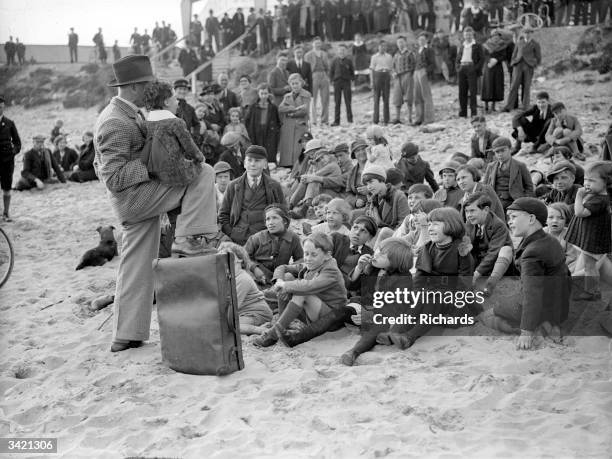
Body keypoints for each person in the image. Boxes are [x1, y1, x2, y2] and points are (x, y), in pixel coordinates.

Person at [93, 55, 218, 353]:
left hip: (131, 201)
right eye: (148, 83)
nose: (151, 88)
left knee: (136, 264)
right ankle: (190, 240)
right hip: (135, 198)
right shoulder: (116, 122)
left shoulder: (122, 112)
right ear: (135, 87)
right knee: (204, 174)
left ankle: (126, 334)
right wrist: (152, 165)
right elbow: (113, 176)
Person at [376, 207, 476, 350]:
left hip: (454, 300)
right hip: (430, 292)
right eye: (429, 224)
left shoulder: (462, 250)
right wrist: (417, 293)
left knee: (432, 301)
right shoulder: (427, 248)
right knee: (417, 303)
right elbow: (420, 276)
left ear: (451, 224)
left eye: (435, 224)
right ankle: (393, 332)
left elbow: (464, 283)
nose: (430, 228)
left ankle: (410, 336)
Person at [482, 198, 570, 350]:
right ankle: (548, 323)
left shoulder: (532, 253)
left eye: (514, 217)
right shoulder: (549, 239)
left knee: (487, 315)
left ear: (531, 219)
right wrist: (556, 319)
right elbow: (565, 278)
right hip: (559, 307)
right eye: (509, 218)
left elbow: (532, 294)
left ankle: (535, 329)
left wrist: (526, 332)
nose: (510, 222)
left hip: (540, 307)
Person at [253, 232, 349, 347]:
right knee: (288, 277)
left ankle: (273, 335)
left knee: (301, 292)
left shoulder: (331, 270)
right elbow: (282, 267)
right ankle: (283, 323)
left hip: (331, 320)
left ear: (327, 255)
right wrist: (279, 281)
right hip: (314, 313)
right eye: (306, 253)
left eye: (313, 255)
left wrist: (285, 286)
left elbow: (310, 286)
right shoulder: (312, 264)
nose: (308, 259)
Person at [340, 238, 414, 366]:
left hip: (389, 316)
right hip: (368, 308)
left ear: (394, 261)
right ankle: (298, 337)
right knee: (340, 312)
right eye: (378, 250)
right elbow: (351, 287)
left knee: (376, 328)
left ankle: (353, 352)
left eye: (382, 254)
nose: (376, 254)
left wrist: (368, 313)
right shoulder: (373, 268)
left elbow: (394, 308)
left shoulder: (404, 279)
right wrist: (359, 268)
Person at [564, 162, 612, 300]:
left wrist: (579, 197)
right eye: (585, 179)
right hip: (590, 236)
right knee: (589, 265)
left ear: (606, 182)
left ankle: (592, 292)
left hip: (592, 239)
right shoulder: (596, 196)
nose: (586, 183)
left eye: (592, 180)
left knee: (590, 266)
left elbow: (580, 213)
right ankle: (592, 290)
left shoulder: (600, 200)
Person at [219, 145, 285, 245]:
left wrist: (275, 236)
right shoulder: (233, 186)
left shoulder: (274, 186)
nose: (252, 164)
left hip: (265, 240)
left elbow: (284, 214)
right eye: (249, 160)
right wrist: (231, 233)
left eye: (257, 161)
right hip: (238, 239)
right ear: (244, 164)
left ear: (265, 164)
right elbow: (223, 215)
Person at [216, 242, 274, 335]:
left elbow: (233, 306)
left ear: (240, 259)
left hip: (257, 313)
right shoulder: (226, 277)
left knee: (230, 326)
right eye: (221, 257)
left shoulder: (243, 278)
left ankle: (259, 330)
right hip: (240, 313)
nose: (224, 259)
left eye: (228, 255)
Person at [464, 192, 514, 293]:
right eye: (466, 211)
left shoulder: (498, 225)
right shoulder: (470, 223)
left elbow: (493, 253)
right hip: (479, 262)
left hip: (496, 264)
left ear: (486, 210)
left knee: (506, 249)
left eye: (472, 211)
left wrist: (475, 274)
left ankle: (490, 284)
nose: (469, 215)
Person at [245, 204, 303, 285]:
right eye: (267, 219)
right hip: (258, 275)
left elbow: (300, 259)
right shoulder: (256, 238)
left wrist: (287, 269)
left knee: (289, 277)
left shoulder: (293, 238)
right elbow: (244, 257)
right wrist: (254, 268)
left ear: (285, 221)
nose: (270, 223)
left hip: (279, 276)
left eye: (275, 218)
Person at [483, 137, 534, 210]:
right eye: (497, 152)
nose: (500, 154)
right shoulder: (491, 166)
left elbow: (529, 187)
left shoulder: (520, 166)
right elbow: (485, 187)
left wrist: (524, 202)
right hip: (495, 201)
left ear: (510, 149)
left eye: (503, 150)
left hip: (514, 201)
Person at [502, 26, 541, 112]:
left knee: (526, 86)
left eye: (529, 33)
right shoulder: (519, 42)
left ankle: (525, 106)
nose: (527, 34)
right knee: (514, 86)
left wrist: (533, 64)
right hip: (518, 65)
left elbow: (538, 57)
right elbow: (514, 54)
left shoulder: (535, 44)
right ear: (523, 33)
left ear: (531, 34)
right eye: (525, 33)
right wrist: (513, 62)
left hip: (528, 66)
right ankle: (509, 106)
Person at [362, 164, 410, 230]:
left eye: (371, 182)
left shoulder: (399, 197)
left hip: (395, 236)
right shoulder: (373, 199)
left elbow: (404, 225)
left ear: (382, 180)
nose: (369, 187)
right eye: (367, 184)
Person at [278, 73, 311, 168]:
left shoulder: (306, 94)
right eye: (292, 83)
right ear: (290, 84)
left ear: (301, 83)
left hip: (300, 124)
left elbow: (305, 110)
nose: (295, 85)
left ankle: (298, 165)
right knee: (287, 144)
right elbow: (280, 108)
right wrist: (293, 108)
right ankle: (286, 163)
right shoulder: (287, 96)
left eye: (297, 83)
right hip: (288, 126)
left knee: (298, 146)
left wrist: (291, 114)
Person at [245, 84, 281, 165]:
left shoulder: (273, 107)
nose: (264, 96)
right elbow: (247, 121)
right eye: (262, 93)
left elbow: (277, 121)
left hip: (270, 132)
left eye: (266, 93)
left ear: (269, 94)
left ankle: (270, 166)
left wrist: (275, 131)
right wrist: (251, 132)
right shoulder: (253, 107)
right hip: (257, 132)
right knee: (258, 150)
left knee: (270, 151)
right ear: (258, 94)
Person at [481, 28, 512, 113]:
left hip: (498, 67)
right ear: (491, 36)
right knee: (488, 85)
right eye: (494, 36)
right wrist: (489, 60)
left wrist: (497, 60)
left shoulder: (502, 45)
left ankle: (493, 106)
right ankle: (486, 105)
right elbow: (484, 55)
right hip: (488, 67)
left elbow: (504, 55)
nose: (496, 38)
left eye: (498, 36)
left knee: (496, 85)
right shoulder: (486, 45)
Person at [0, 95, 21, 220]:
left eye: (1, 107)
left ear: (4, 107)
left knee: (6, 188)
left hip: (7, 162)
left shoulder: (9, 123)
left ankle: (6, 213)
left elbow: (18, 142)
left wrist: (13, 152)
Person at [456, 27, 483, 119]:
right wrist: (458, 67)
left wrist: (475, 69)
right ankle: (463, 112)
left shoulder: (477, 45)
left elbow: (481, 59)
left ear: (473, 35)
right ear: (464, 36)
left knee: (472, 91)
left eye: (470, 34)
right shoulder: (461, 45)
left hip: (471, 68)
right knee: (462, 91)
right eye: (466, 35)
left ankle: (473, 112)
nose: (468, 36)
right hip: (462, 68)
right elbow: (458, 58)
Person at [545, 202, 580, 274]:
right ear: (546, 220)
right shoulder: (542, 232)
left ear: (566, 221)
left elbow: (572, 257)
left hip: (564, 265)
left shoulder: (569, 234)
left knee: (576, 266)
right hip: (545, 264)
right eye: (551, 217)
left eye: (561, 218)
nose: (555, 221)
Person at [304, 37, 330, 125]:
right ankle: (313, 120)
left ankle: (325, 120)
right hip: (313, 75)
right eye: (316, 43)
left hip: (323, 74)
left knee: (325, 98)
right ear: (313, 44)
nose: (318, 45)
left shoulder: (324, 54)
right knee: (312, 98)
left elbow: (327, 66)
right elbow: (306, 68)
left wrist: (327, 75)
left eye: (319, 43)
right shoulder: (308, 55)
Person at [391, 36, 416, 125]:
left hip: (407, 75)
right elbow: (393, 66)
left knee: (409, 97)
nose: (400, 44)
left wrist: (411, 75)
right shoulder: (396, 54)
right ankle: (397, 117)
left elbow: (414, 65)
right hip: (398, 76)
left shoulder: (410, 53)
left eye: (401, 42)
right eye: (398, 43)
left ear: (405, 43)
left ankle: (410, 117)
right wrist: (393, 72)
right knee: (397, 97)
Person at [329, 44, 355, 126]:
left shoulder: (349, 61)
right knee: (337, 102)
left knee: (348, 101)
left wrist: (352, 81)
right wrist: (332, 81)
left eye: (343, 50)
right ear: (337, 51)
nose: (342, 52)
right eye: (340, 50)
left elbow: (352, 72)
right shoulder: (334, 61)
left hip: (346, 82)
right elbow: (331, 72)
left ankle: (350, 120)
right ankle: (336, 121)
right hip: (337, 82)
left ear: (346, 51)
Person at [413, 33, 435, 126]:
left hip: (423, 72)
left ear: (426, 40)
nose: (421, 41)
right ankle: (419, 117)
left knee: (426, 96)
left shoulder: (429, 50)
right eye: (419, 40)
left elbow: (432, 63)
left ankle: (429, 118)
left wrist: (426, 71)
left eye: (423, 39)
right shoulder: (417, 50)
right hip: (416, 72)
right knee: (417, 96)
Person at [345, 139, 370, 209]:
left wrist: (369, 189)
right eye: (357, 151)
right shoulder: (352, 172)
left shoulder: (376, 166)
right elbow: (348, 193)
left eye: (363, 149)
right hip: (359, 206)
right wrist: (355, 202)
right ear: (354, 155)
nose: (361, 152)